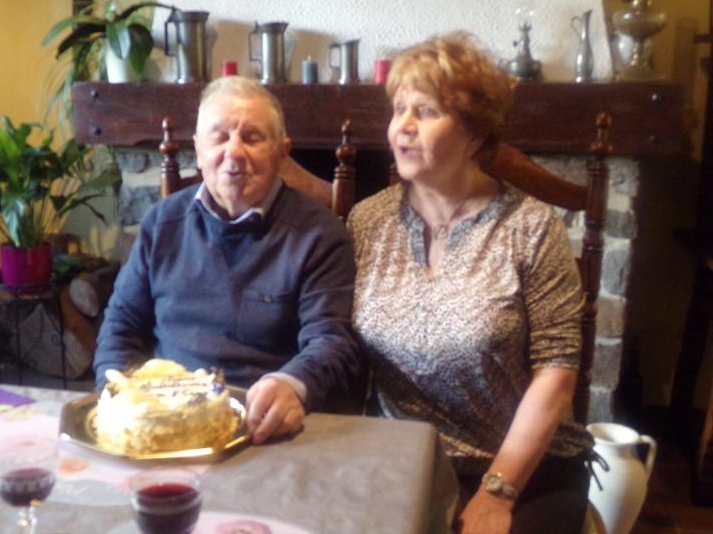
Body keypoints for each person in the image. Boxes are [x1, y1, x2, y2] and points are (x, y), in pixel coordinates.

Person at [347, 32, 592, 534]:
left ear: (475, 135)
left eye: (426, 112)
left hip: (523, 467)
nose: (403, 127)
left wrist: (497, 491)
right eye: (399, 110)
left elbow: (556, 374)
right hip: (402, 461)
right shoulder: (367, 221)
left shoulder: (531, 228)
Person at [94, 76, 361, 445]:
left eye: (252, 138)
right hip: (162, 427)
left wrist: (292, 385)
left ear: (282, 151)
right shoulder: (162, 222)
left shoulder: (320, 235)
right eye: (219, 137)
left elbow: (330, 341)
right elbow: (121, 323)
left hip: (263, 428)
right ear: (198, 148)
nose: (233, 152)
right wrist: (114, 398)